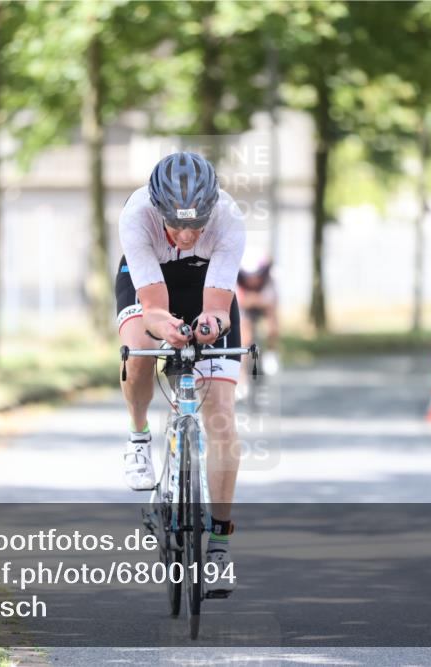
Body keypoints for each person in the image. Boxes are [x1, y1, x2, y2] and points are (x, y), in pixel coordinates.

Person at [115, 151, 244, 593]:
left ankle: (221, 542)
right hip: (149, 281)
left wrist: (211, 324)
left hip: (206, 283)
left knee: (222, 417)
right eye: (177, 224)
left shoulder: (229, 218)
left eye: (197, 225)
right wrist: (163, 326)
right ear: (158, 209)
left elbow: (218, 308)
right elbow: (152, 308)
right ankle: (138, 437)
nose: (188, 235)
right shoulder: (136, 215)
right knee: (140, 351)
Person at [236, 248, 280, 398]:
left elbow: (271, 303)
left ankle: (271, 352)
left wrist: (258, 301)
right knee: (245, 333)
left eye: (256, 276)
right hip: (245, 309)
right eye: (249, 276)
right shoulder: (237, 279)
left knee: (272, 320)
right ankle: (242, 377)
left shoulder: (270, 278)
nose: (252, 280)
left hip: (264, 304)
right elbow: (240, 302)